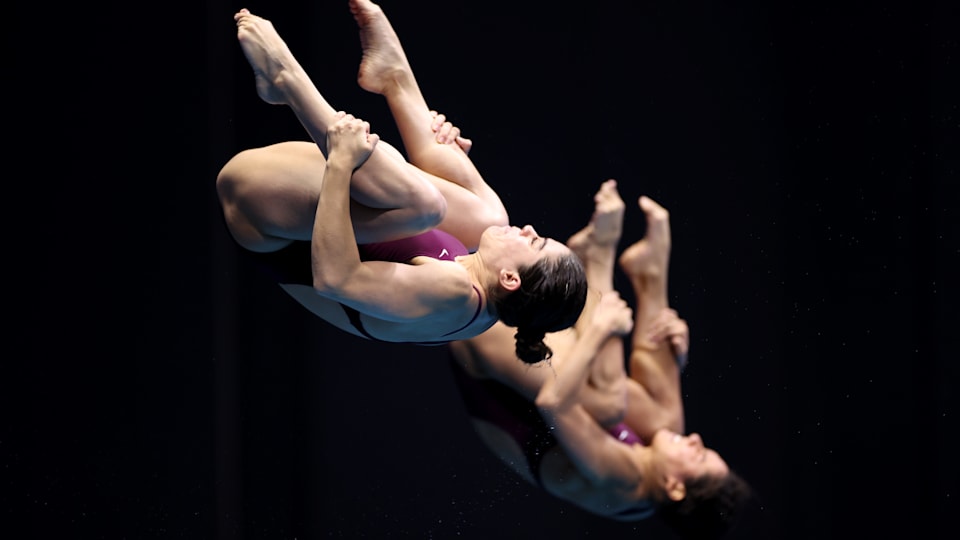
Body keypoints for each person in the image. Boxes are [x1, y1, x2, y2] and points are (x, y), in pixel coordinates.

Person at [217, 2, 587, 358]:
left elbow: (334, 279)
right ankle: (392, 79)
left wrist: (341, 164)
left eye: (534, 242)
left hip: (262, 211)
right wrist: (445, 161)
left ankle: (288, 82)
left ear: (510, 279)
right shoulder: (479, 293)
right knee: (487, 217)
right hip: (293, 193)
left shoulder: (456, 295)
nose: (528, 229)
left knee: (423, 206)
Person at [446, 177, 753, 537]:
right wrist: (676, 353)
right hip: (540, 360)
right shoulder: (656, 461)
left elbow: (553, 403)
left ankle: (599, 260)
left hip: (483, 358)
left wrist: (601, 329)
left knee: (608, 404)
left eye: (699, 456)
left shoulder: (619, 483)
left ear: (674, 487)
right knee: (665, 422)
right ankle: (649, 274)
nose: (699, 440)